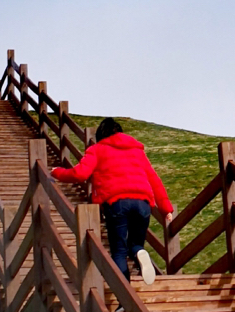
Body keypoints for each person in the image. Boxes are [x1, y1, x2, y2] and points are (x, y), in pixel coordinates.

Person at [52, 117, 173, 284]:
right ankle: (139, 251)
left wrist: (57, 172)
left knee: (118, 252)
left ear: (101, 135)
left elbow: (80, 174)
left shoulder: (97, 149)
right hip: (143, 204)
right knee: (136, 244)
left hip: (117, 203)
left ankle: (124, 300)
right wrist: (166, 209)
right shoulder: (137, 151)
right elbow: (154, 179)